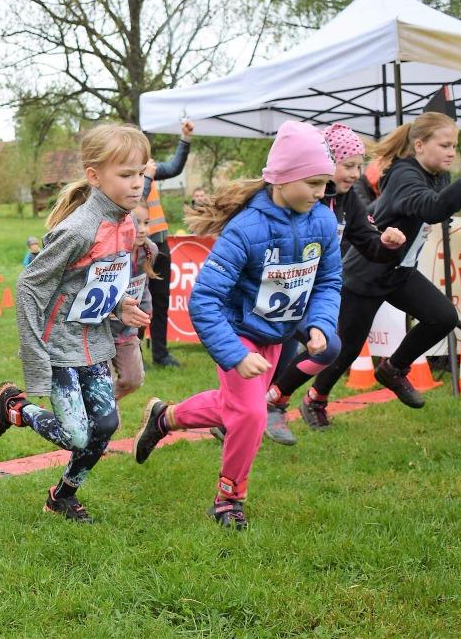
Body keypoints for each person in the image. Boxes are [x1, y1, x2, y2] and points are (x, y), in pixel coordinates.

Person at [132, 121, 342, 529]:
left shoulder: (321, 222)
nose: (322, 192)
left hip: (279, 332)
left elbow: (328, 280)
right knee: (251, 414)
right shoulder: (246, 229)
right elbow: (204, 300)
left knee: (242, 407)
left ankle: (164, 417)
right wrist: (236, 353)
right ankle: (228, 500)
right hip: (240, 331)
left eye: (325, 183)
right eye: (314, 182)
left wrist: (319, 323)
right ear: (283, 178)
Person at [0, 124, 152, 523]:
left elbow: (93, 283)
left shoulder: (126, 224)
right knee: (75, 435)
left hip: (95, 342)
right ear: (94, 176)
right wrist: (36, 356)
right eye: (126, 174)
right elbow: (29, 286)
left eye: (141, 173)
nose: (137, 183)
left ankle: (61, 497)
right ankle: (15, 407)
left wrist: (119, 306)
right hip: (58, 346)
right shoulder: (78, 229)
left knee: (106, 425)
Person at [295, 112, 461, 423]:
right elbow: (433, 208)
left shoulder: (436, 175)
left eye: (454, 145)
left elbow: (434, 209)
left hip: (399, 271)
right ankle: (314, 400)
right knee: (346, 348)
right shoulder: (405, 174)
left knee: (443, 317)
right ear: (419, 145)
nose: (451, 152)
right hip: (366, 273)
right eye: (444, 145)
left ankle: (393, 369)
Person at [261, 123, 407, 438]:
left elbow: (369, 243)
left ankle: (270, 405)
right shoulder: (303, 195)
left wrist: (387, 244)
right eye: (348, 165)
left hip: (310, 294)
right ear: (326, 161)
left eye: (359, 166)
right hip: (275, 290)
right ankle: (230, 416)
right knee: (269, 366)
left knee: (326, 348)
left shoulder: (348, 200)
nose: (356, 174)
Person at [143, 119, 194, 368]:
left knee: (161, 303)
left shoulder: (148, 167)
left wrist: (185, 139)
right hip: (140, 249)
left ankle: (161, 355)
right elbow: (135, 201)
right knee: (138, 304)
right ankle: (133, 358)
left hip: (161, 246)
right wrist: (146, 177)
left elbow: (174, 168)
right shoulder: (128, 173)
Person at [110, 201, 158, 400]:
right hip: (100, 330)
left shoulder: (150, 250)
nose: (143, 229)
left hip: (126, 330)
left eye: (147, 222)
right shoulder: (111, 251)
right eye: (137, 222)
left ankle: (104, 405)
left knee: (134, 379)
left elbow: (143, 283)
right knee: (101, 383)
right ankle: (103, 410)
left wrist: (146, 308)